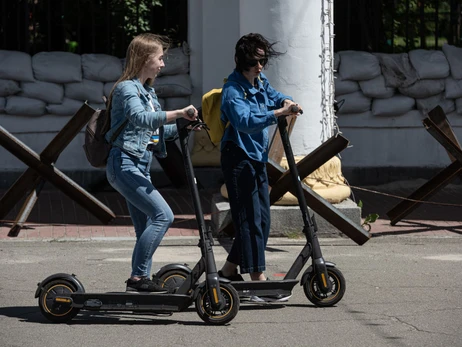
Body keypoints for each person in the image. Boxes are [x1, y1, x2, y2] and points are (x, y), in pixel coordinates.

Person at [105, 33, 198, 292]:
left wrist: (183, 126)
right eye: (159, 58)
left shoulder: (148, 92)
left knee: (145, 226)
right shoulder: (126, 89)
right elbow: (141, 119)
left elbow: (155, 133)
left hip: (140, 166)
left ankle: (141, 280)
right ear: (145, 59)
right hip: (123, 164)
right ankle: (137, 278)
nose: (162, 64)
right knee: (163, 215)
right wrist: (178, 112)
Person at [218, 33, 302, 301]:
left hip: (255, 157)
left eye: (262, 61)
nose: (260, 66)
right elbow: (245, 122)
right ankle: (258, 282)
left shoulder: (259, 81)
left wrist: (287, 102)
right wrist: (277, 113)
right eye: (254, 62)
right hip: (238, 158)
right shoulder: (232, 91)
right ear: (241, 60)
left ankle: (229, 272)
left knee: (261, 220)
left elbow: (275, 96)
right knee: (250, 219)